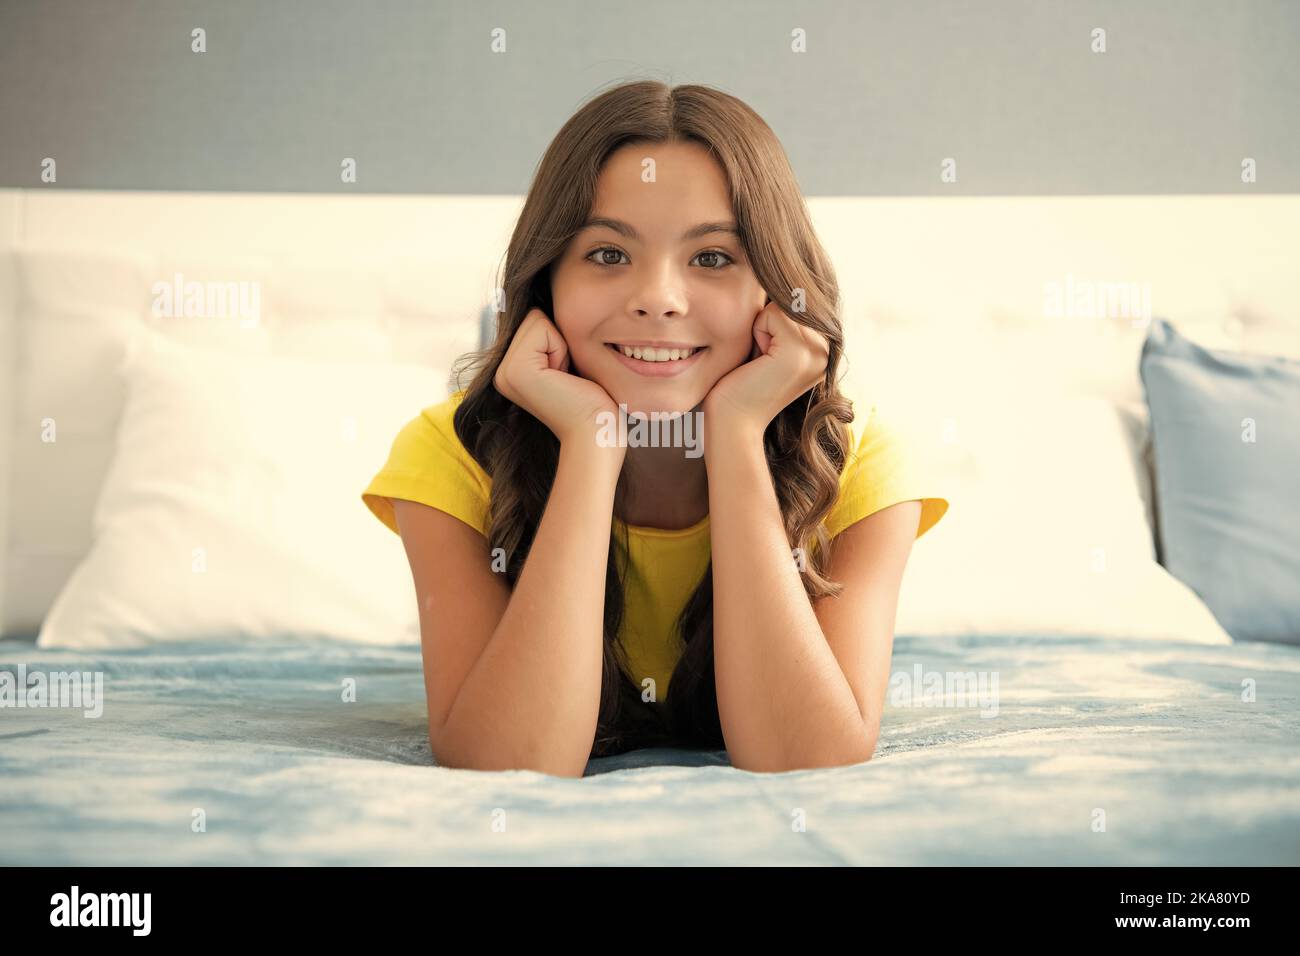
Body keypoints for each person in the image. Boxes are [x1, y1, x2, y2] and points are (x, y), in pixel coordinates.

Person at [362, 80, 948, 776]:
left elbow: (807, 761)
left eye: (712, 258)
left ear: (776, 290)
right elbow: (508, 764)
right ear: (546, 283)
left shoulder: (861, 461)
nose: (658, 300)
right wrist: (590, 443)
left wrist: (733, 435)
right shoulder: (449, 453)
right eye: (608, 255)